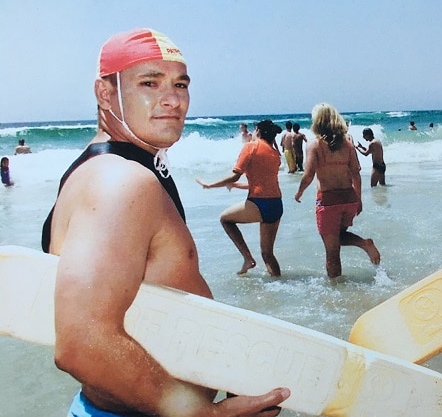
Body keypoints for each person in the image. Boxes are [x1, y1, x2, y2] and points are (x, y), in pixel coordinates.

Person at [41, 28, 289, 417]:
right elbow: (81, 343)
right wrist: (203, 414)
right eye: (149, 83)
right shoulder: (120, 181)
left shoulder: (112, 167)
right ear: (106, 94)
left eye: (180, 84)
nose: (173, 99)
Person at [295, 103, 380, 280]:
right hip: (349, 198)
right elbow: (356, 174)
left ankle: (336, 290)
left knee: (332, 252)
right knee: (337, 237)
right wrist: (359, 199)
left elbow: (309, 174)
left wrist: (299, 192)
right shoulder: (348, 145)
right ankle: (363, 243)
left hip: (328, 201)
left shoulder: (314, 145)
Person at [196, 120, 283, 277]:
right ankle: (278, 282)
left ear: (258, 131)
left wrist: (210, 185)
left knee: (225, 219)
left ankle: (248, 258)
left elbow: (235, 174)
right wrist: (236, 186)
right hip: (276, 204)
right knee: (268, 254)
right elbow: (261, 183)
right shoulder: (275, 153)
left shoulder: (251, 146)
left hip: (260, 203)